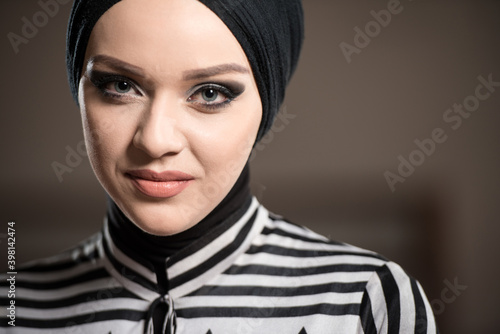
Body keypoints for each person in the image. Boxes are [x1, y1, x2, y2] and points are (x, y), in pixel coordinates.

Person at [0, 0, 438, 333]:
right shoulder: (12, 307)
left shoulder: (368, 301)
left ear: (267, 106)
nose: (155, 139)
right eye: (119, 85)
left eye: (210, 93)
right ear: (80, 90)